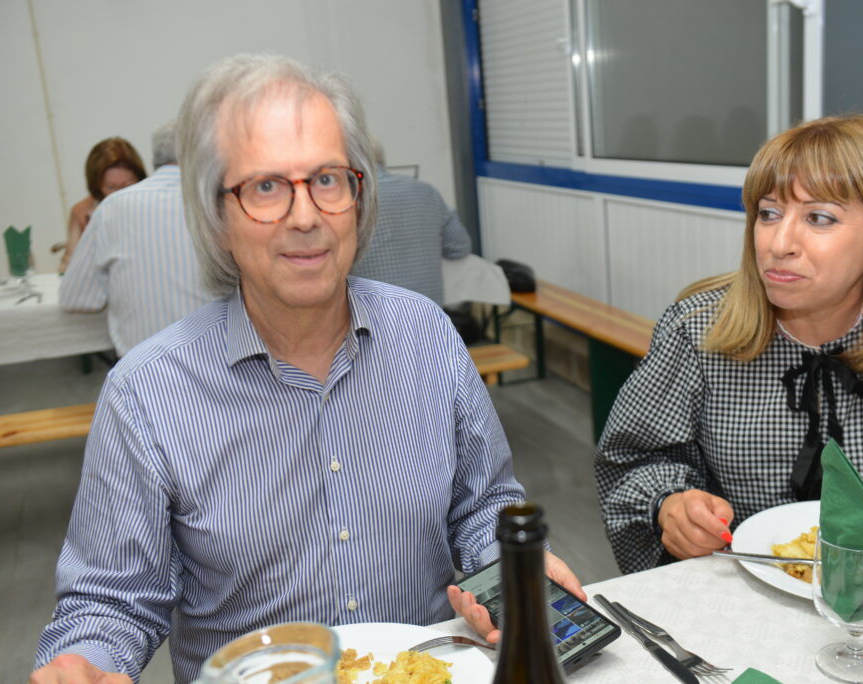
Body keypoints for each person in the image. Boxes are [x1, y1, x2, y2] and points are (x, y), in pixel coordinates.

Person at [31, 53, 582, 684]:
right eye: (265, 187)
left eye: (326, 179)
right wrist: (86, 665)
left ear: (358, 197)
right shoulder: (147, 395)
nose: (305, 215)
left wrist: (514, 571)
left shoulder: (426, 336)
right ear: (216, 217)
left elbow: (481, 505)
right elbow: (111, 602)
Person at [596, 115, 863, 573]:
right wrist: (669, 505)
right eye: (768, 213)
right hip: (737, 582)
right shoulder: (698, 330)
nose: (779, 243)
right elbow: (632, 459)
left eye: (819, 218)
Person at [58, 120, 213, 356]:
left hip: (142, 367)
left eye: (126, 183)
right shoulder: (217, 202)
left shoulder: (109, 210)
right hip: (214, 361)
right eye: (111, 186)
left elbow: (75, 297)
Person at [351, 139, 472, 305]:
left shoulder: (351, 201)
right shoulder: (427, 191)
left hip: (371, 316)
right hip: (429, 314)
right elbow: (460, 246)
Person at [56, 137, 148, 272]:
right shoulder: (82, 212)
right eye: (111, 187)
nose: (120, 194)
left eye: (127, 185)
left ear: (140, 179)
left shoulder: (151, 206)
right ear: (97, 187)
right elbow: (68, 265)